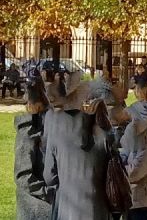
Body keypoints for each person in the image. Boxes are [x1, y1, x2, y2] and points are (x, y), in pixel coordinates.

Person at [42, 71, 109, 220]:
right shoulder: (105, 132)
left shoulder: (57, 126)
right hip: (99, 210)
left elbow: (49, 176)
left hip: (67, 208)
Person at [14, 84, 54, 220]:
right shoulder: (27, 132)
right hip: (35, 207)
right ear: (35, 106)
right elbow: (23, 177)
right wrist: (49, 193)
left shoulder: (51, 127)